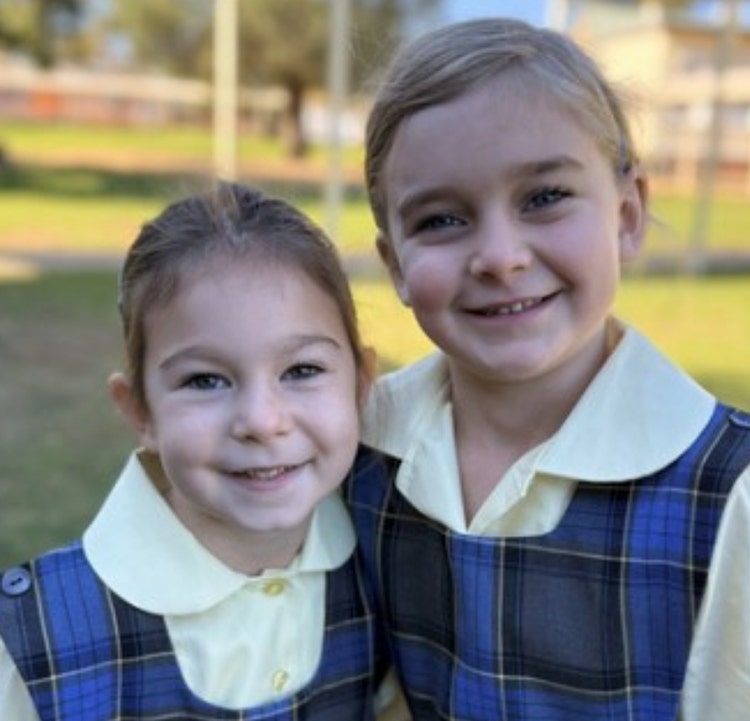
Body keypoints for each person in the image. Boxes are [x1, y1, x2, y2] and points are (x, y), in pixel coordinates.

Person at [345, 17, 750, 720]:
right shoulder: (353, 447)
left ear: (627, 215)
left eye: (544, 198)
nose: (500, 257)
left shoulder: (730, 494)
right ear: (396, 266)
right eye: (441, 219)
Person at [0, 182, 389, 719]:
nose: (261, 422)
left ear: (361, 383)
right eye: (205, 380)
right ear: (140, 411)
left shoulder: (386, 569)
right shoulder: (30, 645)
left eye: (302, 370)